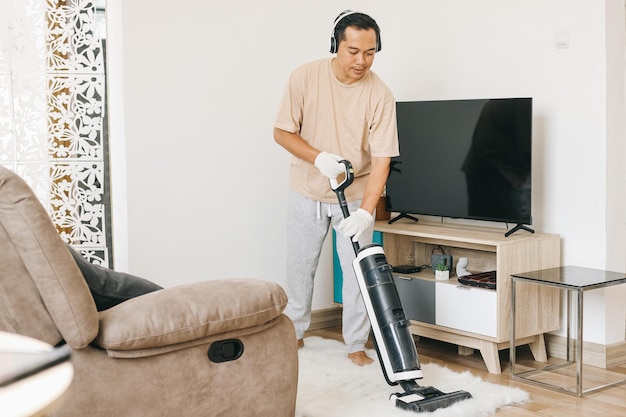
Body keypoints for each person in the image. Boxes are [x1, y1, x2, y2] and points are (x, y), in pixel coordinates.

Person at [273, 10, 399, 366]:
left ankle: (356, 344)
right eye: (353, 51)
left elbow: (382, 160)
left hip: (355, 193)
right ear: (336, 45)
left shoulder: (380, 95)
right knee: (299, 268)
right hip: (307, 188)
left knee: (359, 272)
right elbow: (281, 131)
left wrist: (364, 212)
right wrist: (317, 158)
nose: (362, 61)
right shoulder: (305, 77)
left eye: (370, 52)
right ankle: (293, 335)